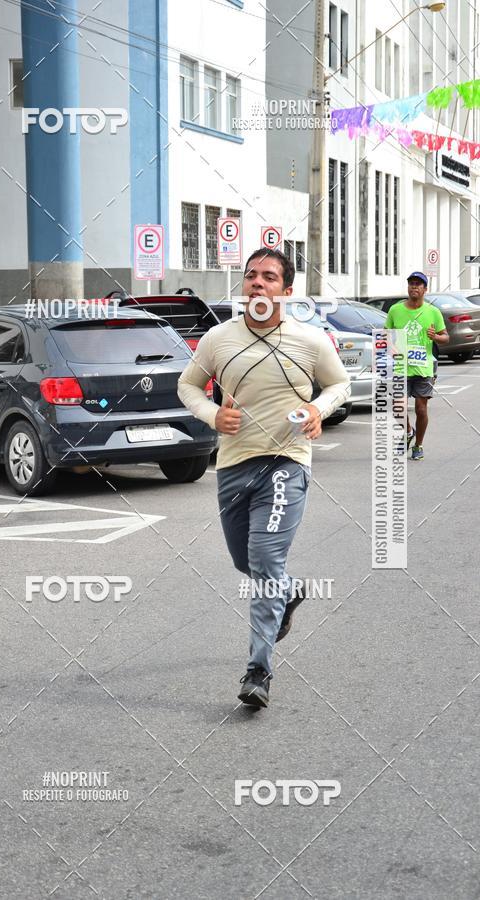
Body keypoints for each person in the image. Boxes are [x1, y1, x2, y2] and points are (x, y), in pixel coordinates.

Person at [177, 249, 350, 709]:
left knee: (264, 559)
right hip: (234, 465)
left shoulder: (309, 340)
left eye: (269, 277)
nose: (257, 282)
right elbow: (187, 386)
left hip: (286, 462)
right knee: (246, 561)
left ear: (286, 291)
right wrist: (213, 415)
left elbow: (339, 385)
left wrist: (317, 409)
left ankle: (259, 670)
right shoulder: (219, 338)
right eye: (251, 275)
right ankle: (289, 591)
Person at [385, 272, 449, 460]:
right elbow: (385, 335)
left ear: (425, 289)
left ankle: (418, 445)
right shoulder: (395, 310)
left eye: (418, 284)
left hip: (423, 367)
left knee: (421, 409)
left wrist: (435, 337)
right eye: (411, 283)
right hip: (400, 366)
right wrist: (389, 348)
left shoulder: (433, 312)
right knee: (398, 407)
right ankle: (408, 432)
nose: (414, 286)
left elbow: (446, 337)